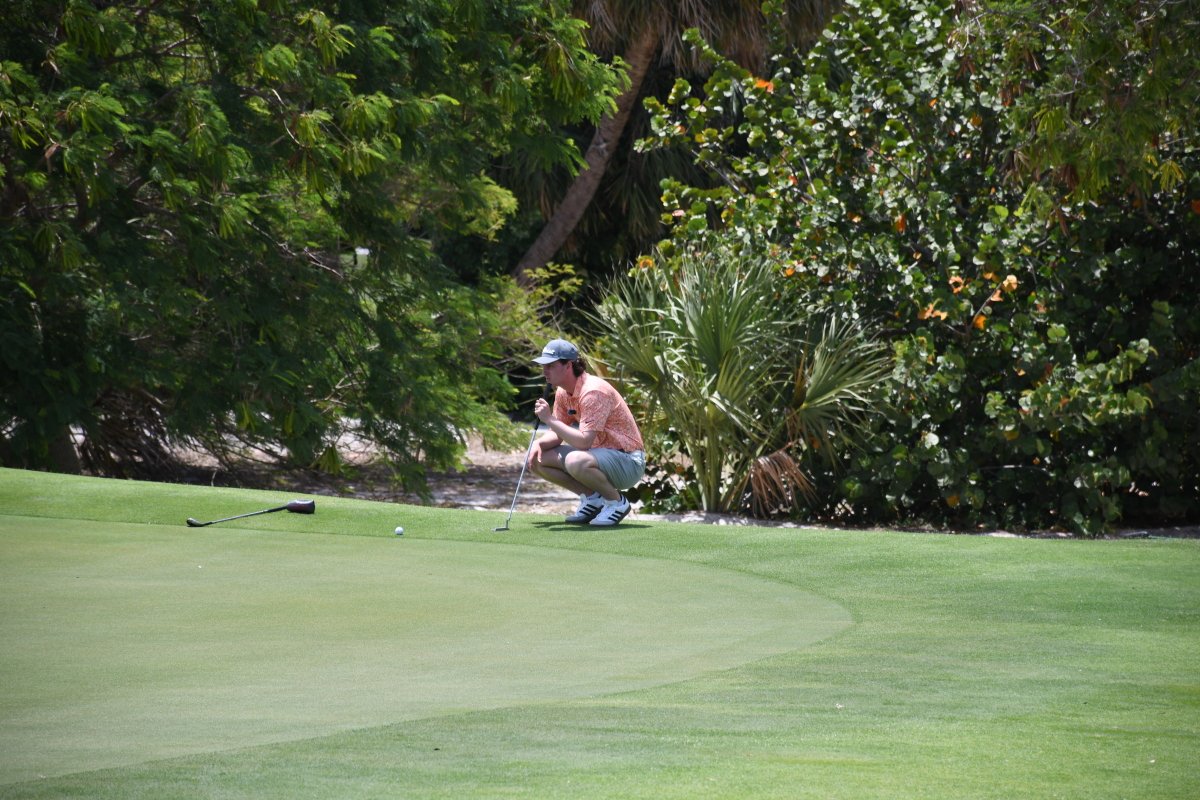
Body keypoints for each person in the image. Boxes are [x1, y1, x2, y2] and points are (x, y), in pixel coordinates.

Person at [527, 338, 645, 526]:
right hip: (599, 457)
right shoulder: (562, 392)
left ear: (568, 366)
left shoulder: (593, 391)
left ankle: (616, 503)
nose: (545, 371)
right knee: (537, 458)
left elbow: (583, 442)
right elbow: (557, 433)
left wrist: (549, 419)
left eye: (550, 365)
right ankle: (593, 499)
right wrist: (537, 445)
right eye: (544, 366)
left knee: (576, 460)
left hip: (628, 461)